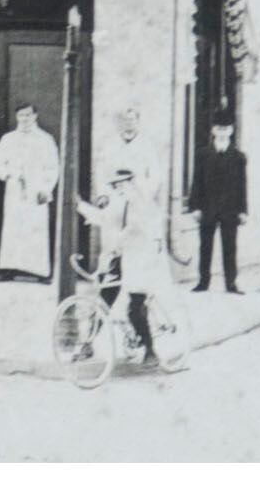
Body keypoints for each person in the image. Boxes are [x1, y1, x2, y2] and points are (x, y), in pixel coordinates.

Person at [77, 110, 168, 369]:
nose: (127, 125)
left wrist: (140, 193)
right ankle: (87, 343)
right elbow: (105, 215)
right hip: (120, 250)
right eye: (123, 121)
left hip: (140, 255)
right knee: (105, 294)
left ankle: (151, 350)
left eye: (132, 121)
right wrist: (82, 206)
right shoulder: (117, 196)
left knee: (135, 305)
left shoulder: (141, 203)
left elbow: (139, 221)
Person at [0, 103, 60, 280]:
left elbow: (53, 167)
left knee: (36, 229)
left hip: (37, 190)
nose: (25, 119)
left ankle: (41, 272)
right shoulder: (8, 138)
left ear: (35, 116)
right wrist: (7, 175)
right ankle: (8, 269)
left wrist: (46, 188)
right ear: (16, 117)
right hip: (14, 189)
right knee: (13, 229)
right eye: (21, 116)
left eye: (28, 115)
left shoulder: (45, 139)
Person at [190, 117, 248, 293]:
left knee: (230, 246)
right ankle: (203, 282)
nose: (222, 132)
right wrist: (195, 207)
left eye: (226, 128)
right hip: (207, 207)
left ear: (231, 131)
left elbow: (242, 185)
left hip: (230, 209)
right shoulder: (202, 154)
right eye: (219, 128)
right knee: (205, 245)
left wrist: (243, 210)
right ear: (213, 131)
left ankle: (231, 283)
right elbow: (196, 182)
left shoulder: (238, 157)